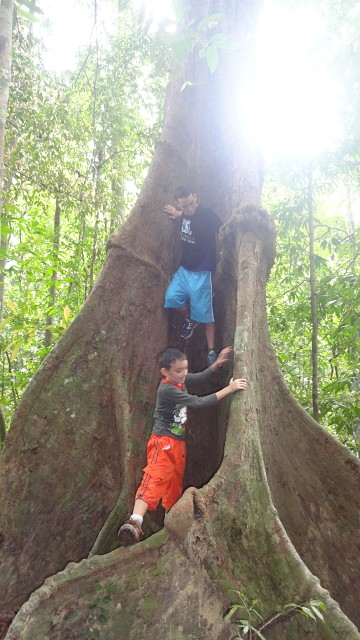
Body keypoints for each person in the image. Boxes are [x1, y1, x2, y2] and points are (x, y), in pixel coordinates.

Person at [117, 346, 247, 546]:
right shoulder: (167, 389)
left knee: (174, 484)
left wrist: (216, 364)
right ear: (165, 372)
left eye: (185, 369)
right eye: (178, 370)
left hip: (178, 443)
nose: (184, 373)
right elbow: (198, 402)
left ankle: (171, 523)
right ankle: (135, 522)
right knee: (154, 478)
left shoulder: (181, 380)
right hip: (163, 442)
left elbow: (200, 377)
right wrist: (229, 389)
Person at [163, 185, 222, 366]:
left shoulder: (206, 212)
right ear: (178, 204)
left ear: (195, 197)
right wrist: (179, 214)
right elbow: (188, 217)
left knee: (205, 313)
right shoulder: (184, 215)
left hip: (203, 271)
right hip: (184, 269)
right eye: (184, 206)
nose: (188, 209)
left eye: (190, 204)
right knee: (171, 299)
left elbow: (222, 229)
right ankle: (189, 318)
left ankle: (211, 350)